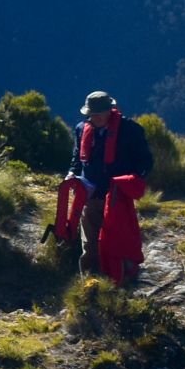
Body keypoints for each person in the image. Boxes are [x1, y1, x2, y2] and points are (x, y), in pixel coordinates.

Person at [67, 91, 154, 282]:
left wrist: (133, 179)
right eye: (91, 113)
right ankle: (90, 283)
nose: (94, 117)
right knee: (89, 242)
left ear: (110, 111)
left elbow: (145, 161)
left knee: (117, 239)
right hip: (89, 194)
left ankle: (120, 279)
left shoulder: (130, 130)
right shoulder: (82, 129)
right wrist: (72, 173)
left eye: (99, 113)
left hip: (117, 197)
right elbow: (77, 158)